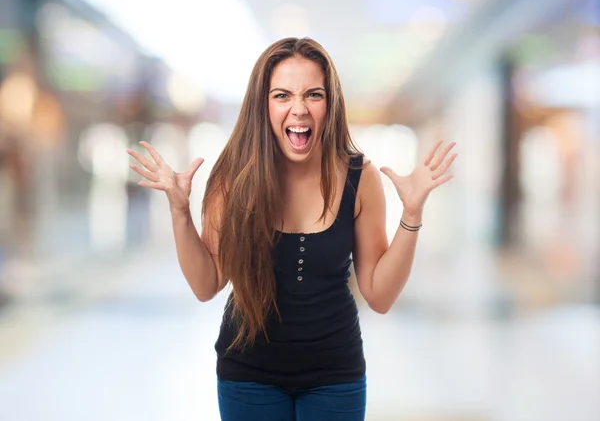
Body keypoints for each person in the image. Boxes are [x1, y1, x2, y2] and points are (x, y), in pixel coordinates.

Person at [127, 37, 457, 421]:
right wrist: (180, 210)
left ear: (329, 104)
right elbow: (207, 284)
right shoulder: (233, 176)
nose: (298, 109)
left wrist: (412, 214)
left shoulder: (359, 176)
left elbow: (379, 296)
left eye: (313, 95)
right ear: (262, 105)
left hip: (336, 376)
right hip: (247, 376)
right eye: (282, 95)